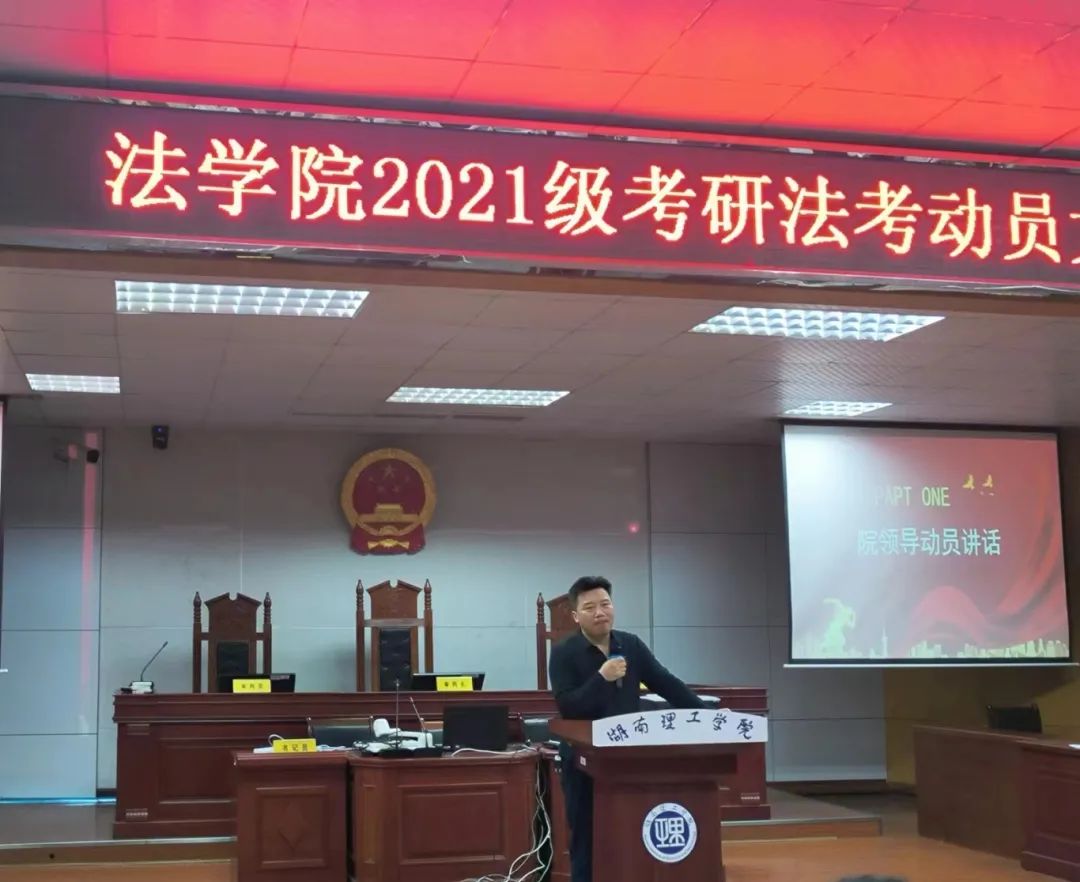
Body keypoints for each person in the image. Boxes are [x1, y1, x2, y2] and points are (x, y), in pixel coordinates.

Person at [548, 576, 706, 882]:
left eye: (605, 604)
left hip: (629, 758)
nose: (600, 612)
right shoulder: (564, 652)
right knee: (586, 836)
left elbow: (667, 683)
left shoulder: (630, 645)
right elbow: (569, 707)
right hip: (583, 760)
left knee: (632, 829)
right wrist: (601, 677)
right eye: (590, 607)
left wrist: (706, 714)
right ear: (575, 615)